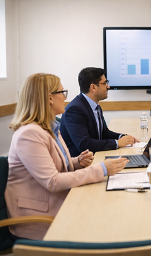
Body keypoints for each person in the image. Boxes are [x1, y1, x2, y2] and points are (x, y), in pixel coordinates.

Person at [6, 73, 128, 240]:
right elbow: (53, 181)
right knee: (106, 222)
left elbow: (53, 164)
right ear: (49, 98)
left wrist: (76, 162)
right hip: (38, 219)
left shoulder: (50, 126)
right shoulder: (29, 134)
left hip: (57, 203)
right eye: (62, 92)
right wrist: (102, 169)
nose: (65, 97)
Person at [60, 67, 138, 157]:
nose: (108, 87)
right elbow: (84, 144)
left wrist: (123, 137)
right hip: (80, 165)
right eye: (104, 83)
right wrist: (117, 143)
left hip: (95, 157)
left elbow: (104, 133)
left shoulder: (95, 105)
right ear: (93, 87)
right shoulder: (74, 110)